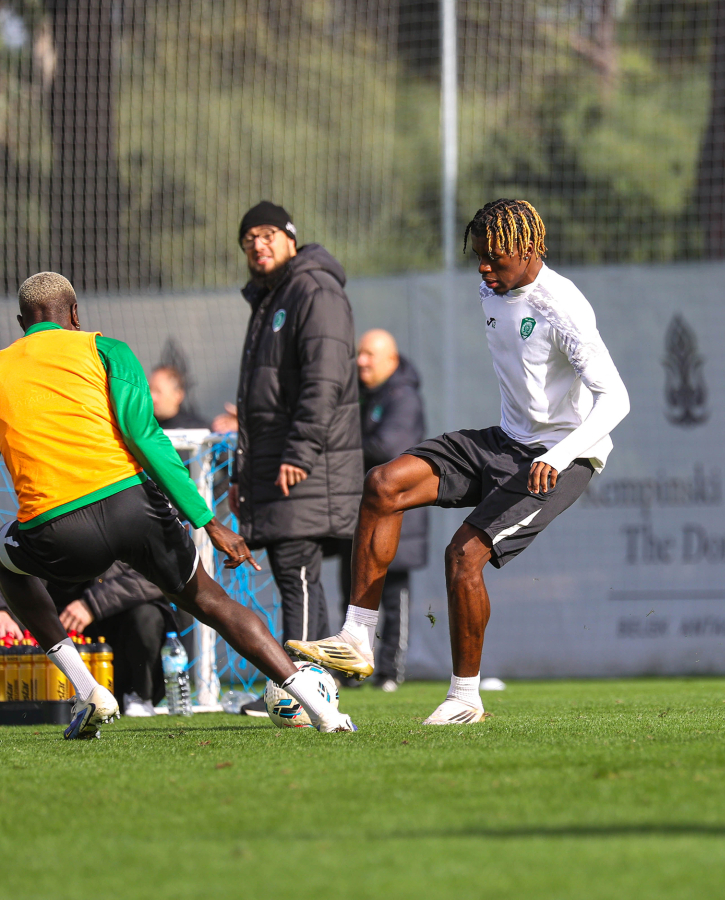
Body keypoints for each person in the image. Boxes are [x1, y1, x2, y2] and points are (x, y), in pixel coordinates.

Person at [0, 271, 356, 737]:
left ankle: (86, 690)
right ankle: (323, 711)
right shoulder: (106, 350)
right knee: (212, 602)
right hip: (133, 509)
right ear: (75, 314)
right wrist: (209, 522)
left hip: (58, 533)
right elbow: (145, 437)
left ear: (21, 323)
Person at [289, 200, 630, 725]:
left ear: (528, 249)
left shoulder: (563, 306)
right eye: (478, 256)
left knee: (463, 555)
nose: (483, 268)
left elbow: (616, 400)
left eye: (494, 257)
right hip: (505, 441)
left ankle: (465, 697)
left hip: (563, 456)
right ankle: (356, 637)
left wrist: (559, 454)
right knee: (383, 484)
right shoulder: (493, 289)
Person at [230, 202, 362, 647]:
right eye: (249, 240)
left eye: (267, 235)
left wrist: (301, 452)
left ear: (291, 238)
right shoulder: (272, 297)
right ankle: (314, 679)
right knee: (298, 575)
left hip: (305, 466)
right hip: (277, 466)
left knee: (296, 572)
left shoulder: (314, 290)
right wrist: (242, 476)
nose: (257, 245)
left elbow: (325, 380)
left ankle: (300, 680)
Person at [0, 557, 170, 716]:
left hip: (117, 669)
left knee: (147, 615)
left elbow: (165, 571)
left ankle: (138, 698)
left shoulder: (124, 535)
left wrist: (93, 604)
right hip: (45, 684)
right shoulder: (34, 541)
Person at [338, 329, 427, 692]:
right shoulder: (358, 393)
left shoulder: (403, 396)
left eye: (369, 355)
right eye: (359, 353)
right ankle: (351, 669)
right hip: (359, 513)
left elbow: (389, 447)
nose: (361, 361)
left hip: (399, 514)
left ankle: (390, 671)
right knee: (352, 593)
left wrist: (339, 446)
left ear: (391, 360)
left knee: (393, 596)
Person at [150, 365, 208, 430]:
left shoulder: (197, 430)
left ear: (177, 395)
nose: (152, 397)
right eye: (149, 390)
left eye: (158, 392)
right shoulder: (144, 427)